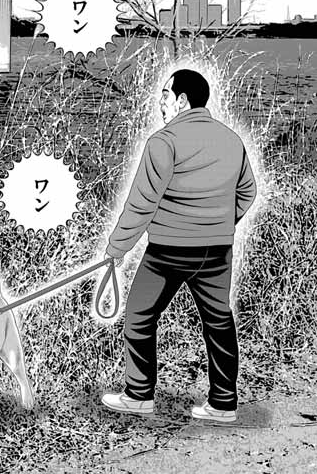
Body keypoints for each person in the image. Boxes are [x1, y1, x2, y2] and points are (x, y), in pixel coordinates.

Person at [101, 68, 256, 423]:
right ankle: (224, 404)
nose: (160, 103)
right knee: (219, 321)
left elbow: (141, 205)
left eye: (165, 96)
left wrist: (116, 250)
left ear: (182, 100)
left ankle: (139, 395)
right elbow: (248, 191)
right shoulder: (231, 140)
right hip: (217, 251)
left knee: (139, 317)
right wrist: (219, 222)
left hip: (167, 252)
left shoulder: (163, 142)